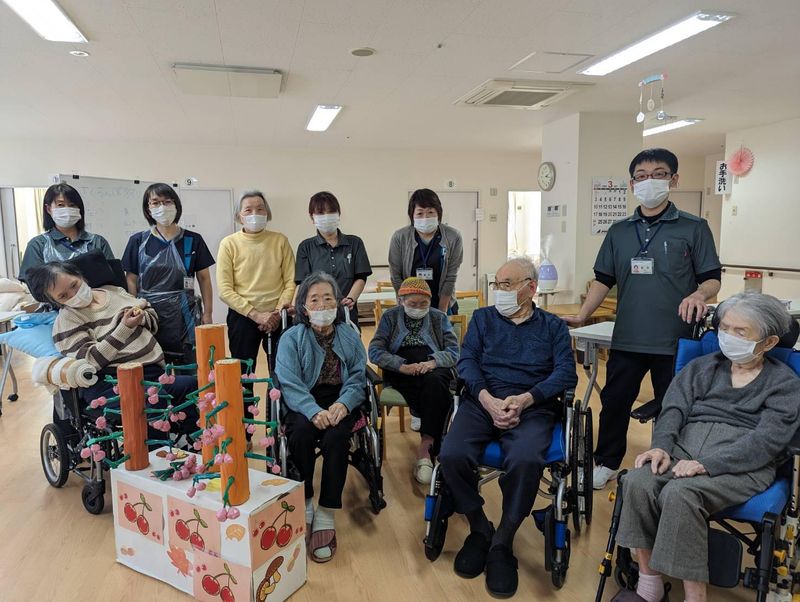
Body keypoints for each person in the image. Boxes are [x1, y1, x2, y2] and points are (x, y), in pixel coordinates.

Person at [611, 292, 800, 602]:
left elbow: (766, 441)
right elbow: (673, 409)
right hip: (682, 452)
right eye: (723, 328)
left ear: (768, 342)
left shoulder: (784, 383)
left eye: (740, 332)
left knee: (680, 494)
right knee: (636, 482)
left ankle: (696, 596)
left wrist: (707, 464)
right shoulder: (702, 367)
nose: (728, 337)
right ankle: (649, 584)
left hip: (742, 466)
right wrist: (661, 446)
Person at [563, 148, 723, 490]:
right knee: (614, 402)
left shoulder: (694, 228)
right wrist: (582, 315)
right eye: (642, 176)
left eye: (659, 174)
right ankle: (606, 463)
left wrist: (699, 294)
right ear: (632, 183)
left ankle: (667, 464)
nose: (650, 181)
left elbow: (712, 278)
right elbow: (603, 280)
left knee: (673, 407)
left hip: (675, 339)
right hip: (628, 337)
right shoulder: (619, 231)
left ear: (674, 179)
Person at [438, 257, 578, 598]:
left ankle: (503, 540)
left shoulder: (553, 327)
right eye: (497, 284)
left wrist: (527, 399)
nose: (498, 291)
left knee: (526, 459)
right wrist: (487, 399)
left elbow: (566, 373)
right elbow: (467, 362)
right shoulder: (483, 319)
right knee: (451, 454)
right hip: (482, 401)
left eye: (506, 285)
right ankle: (479, 527)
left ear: (531, 288)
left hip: (533, 407)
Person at [25, 261, 199, 439]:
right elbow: (91, 360)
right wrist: (124, 329)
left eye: (74, 285)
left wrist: (142, 317)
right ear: (55, 301)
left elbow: (151, 316)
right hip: (110, 382)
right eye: (63, 296)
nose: (74, 294)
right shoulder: (67, 321)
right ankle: (156, 451)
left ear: (79, 276)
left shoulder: (114, 292)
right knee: (153, 398)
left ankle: (193, 443)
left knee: (191, 386)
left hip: (151, 373)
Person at [274, 272, 367, 564]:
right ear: (304, 307)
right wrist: (313, 410)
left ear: (338, 303)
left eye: (328, 298)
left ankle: (326, 511)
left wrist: (344, 403)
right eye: (314, 299)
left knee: (337, 437)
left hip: (339, 397)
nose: (322, 304)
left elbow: (358, 376)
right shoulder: (292, 338)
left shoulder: (349, 335)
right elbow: (288, 382)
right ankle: (306, 499)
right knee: (301, 433)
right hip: (303, 399)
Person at [368, 277, 459, 484]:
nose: (418, 308)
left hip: (433, 366)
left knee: (435, 382)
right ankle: (436, 447)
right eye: (412, 304)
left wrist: (433, 362)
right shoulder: (390, 317)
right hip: (402, 367)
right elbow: (375, 351)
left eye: (423, 303)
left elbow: (454, 351)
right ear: (401, 301)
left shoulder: (438, 317)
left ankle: (426, 446)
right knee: (431, 389)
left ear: (430, 301)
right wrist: (401, 366)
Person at [122, 183, 215, 365]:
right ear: (148, 209)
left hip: (185, 314)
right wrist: (133, 310)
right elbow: (131, 280)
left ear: (176, 205)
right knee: (152, 365)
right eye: (156, 202)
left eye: (167, 202)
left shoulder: (193, 240)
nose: (162, 207)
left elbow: (204, 278)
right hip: (148, 314)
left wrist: (208, 313)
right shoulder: (138, 241)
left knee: (188, 365)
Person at [217, 190, 295, 380]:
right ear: (239, 216)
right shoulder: (229, 244)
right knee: (243, 375)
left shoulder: (280, 241)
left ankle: (277, 401)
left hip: (278, 317)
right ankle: (244, 402)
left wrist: (277, 313)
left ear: (267, 213)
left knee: (282, 373)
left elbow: (290, 281)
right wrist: (256, 315)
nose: (255, 214)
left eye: (260, 209)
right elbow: (225, 290)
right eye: (248, 210)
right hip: (243, 317)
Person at [294, 191, 372, 326]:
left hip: (346, 312)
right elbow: (302, 283)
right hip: (317, 314)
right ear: (312, 217)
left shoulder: (355, 243)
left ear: (338, 213)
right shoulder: (305, 247)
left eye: (331, 212)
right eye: (320, 213)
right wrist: (294, 307)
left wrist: (350, 299)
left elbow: (361, 277)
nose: (326, 216)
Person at [19, 183, 114, 282]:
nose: (67, 209)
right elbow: (33, 283)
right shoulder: (38, 245)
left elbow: (114, 279)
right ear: (48, 209)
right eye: (60, 205)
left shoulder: (97, 242)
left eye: (72, 205)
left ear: (79, 209)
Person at [389, 188, 463, 315]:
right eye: (420, 213)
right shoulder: (400, 237)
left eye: (430, 212)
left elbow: (450, 277)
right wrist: (406, 305)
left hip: (443, 303)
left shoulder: (453, 236)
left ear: (438, 213)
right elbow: (396, 277)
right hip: (410, 305)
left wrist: (442, 312)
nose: (425, 217)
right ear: (412, 215)